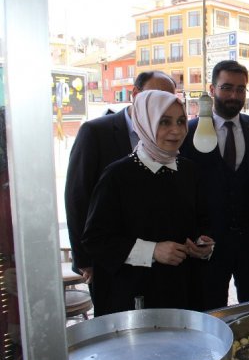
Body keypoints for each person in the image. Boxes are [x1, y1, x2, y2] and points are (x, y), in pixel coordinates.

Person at [81, 90, 214, 316]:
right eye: (164, 122)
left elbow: (203, 222)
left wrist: (203, 246)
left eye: (181, 121)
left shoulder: (189, 171)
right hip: (134, 298)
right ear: (144, 122)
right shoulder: (117, 176)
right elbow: (96, 240)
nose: (177, 130)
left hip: (183, 293)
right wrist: (153, 251)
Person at [180, 60, 249, 309]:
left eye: (240, 89)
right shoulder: (190, 132)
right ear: (212, 88)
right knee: (210, 311)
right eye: (227, 88)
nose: (234, 95)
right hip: (207, 245)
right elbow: (183, 191)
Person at [64, 71, 176, 294]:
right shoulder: (95, 132)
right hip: (111, 259)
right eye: (155, 95)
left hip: (161, 263)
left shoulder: (170, 137)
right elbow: (77, 197)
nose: (162, 104)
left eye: (169, 98)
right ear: (135, 94)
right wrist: (84, 259)